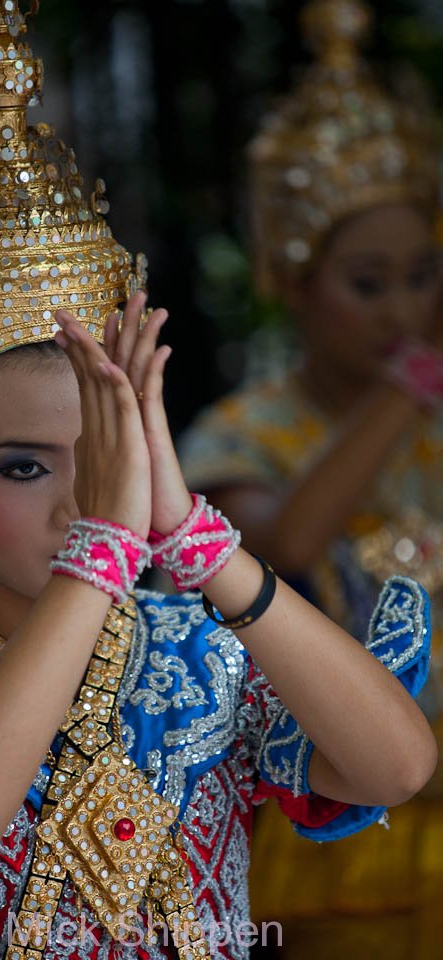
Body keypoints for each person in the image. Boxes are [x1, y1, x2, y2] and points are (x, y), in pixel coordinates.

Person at [0, 3, 436, 960]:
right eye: (24, 466)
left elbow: (395, 767)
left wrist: (192, 537)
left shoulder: (205, 653)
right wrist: (101, 558)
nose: (77, 503)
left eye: (104, 462)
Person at [179, 0, 443, 956]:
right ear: (292, 281)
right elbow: (282, 545)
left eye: (425, 274)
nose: (406, 307)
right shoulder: (238, 436)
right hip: (343, 819)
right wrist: (405, 393)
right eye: (369, 283)